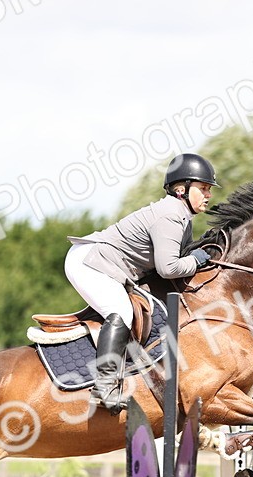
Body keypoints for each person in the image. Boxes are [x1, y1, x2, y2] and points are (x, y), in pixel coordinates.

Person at [64, 153, 219, 414]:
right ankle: (104, 387)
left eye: (209, 189)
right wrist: (196, 260)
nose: (208, 195)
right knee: (121, 312)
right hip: (88, 262)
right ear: (181, 189)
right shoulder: (171, 216)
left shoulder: (181, 216)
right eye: (203, 188)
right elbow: (169, 268)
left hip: (106, 265)